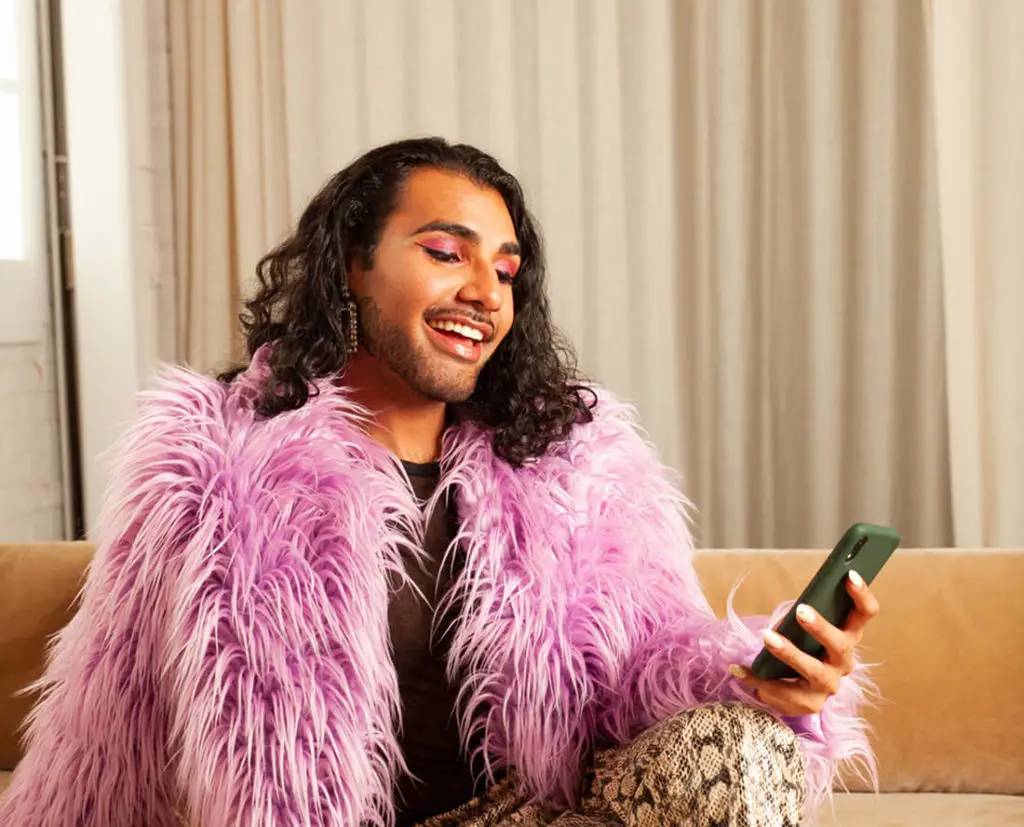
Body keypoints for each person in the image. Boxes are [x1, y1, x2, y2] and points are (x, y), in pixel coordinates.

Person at [0, 137, 878, 827]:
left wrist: (760, 678)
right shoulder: (210, 470)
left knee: (748, 747)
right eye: (445, 252)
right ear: (353, 260)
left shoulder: (575, 459)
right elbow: (104, 729)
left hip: (540, 813)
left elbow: (643, 662)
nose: (484, 293)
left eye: (503, 270)